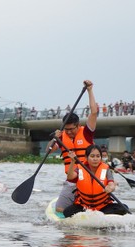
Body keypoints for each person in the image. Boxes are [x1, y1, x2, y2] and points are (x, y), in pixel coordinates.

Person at [47, 79, 98, 213]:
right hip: (72, 179)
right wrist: (54, 139)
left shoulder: (86, 133)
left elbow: (93, 112)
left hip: (89, 178)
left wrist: (90, 90)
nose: (69, 132)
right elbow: (48, 151)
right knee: (59, 209)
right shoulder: (61, 136)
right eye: (67, 129)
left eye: (72, 129)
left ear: (78, 125)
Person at [63, 144, 128, 218]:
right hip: (84, 207)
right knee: (67, 212)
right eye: (92, 156)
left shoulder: (106, 168)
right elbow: (70, 177)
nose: (95, 159)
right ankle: (94, 216)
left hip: (102, 207)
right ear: (86, 157)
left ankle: (98, 216)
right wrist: (72, 161)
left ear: (101, 157)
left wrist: (110, 188)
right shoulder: (80, 168)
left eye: (98, 156)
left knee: (124, 208)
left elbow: (111, 184)